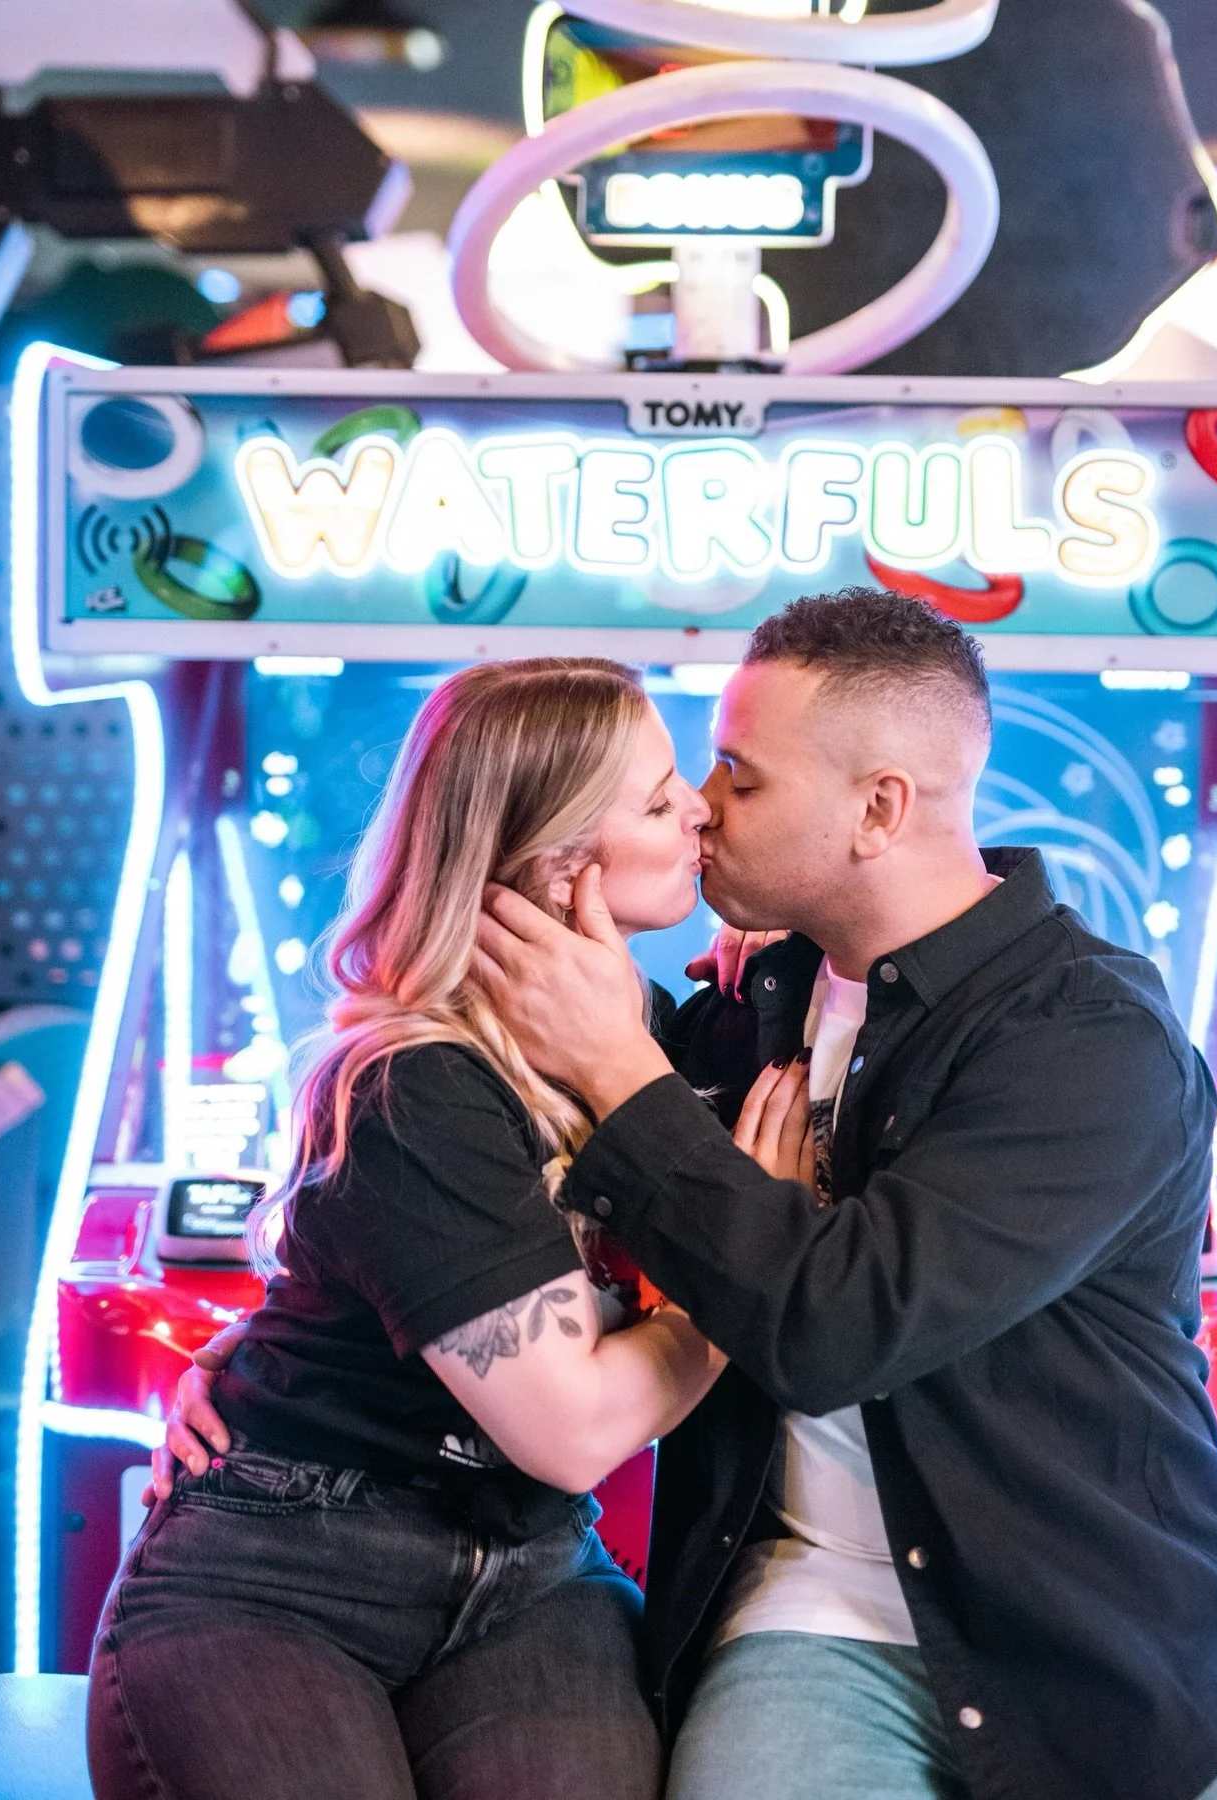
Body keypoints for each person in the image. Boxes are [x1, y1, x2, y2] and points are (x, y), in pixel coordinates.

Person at [470, 589, 1217, 1800]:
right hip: (810, 1612)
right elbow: (449, 1178)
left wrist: (624, 1075)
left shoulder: (1089, 1039)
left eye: (741, 776)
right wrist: (251, 1381)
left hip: (1111, 1634)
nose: (701, 806)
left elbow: (840, 1328)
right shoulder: (745, 1011)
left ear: (878, 810)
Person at [88, 658, 730, 1800]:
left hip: (531, 1565)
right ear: (558, 867)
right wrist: (737, 1292)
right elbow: (575, 1430)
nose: (701, 810)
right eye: (657, 797)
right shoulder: (415, 1083)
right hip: (285, 1562)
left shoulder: (661, 1039)